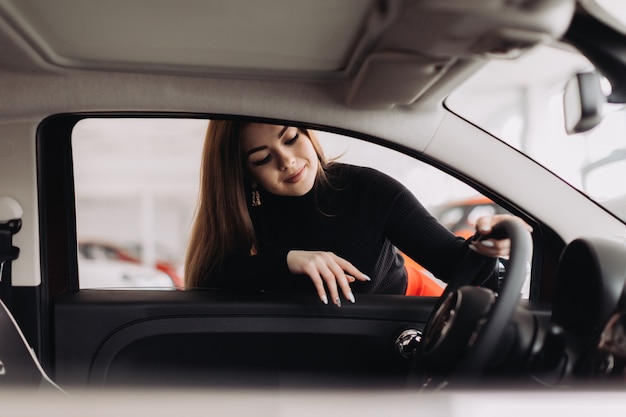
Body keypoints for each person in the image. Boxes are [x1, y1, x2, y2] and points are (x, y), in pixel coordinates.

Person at [184, 120, 530, 306]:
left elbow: (460, 268)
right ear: (245, 174)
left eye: (290, 138)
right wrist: (289, 260)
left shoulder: (368, 189)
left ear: (307, 131)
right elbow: (208, 277)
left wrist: (490, 244)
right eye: (262, 158)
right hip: (323, 340)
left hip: (406, 314)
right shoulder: (247, 207)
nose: (286, 161)